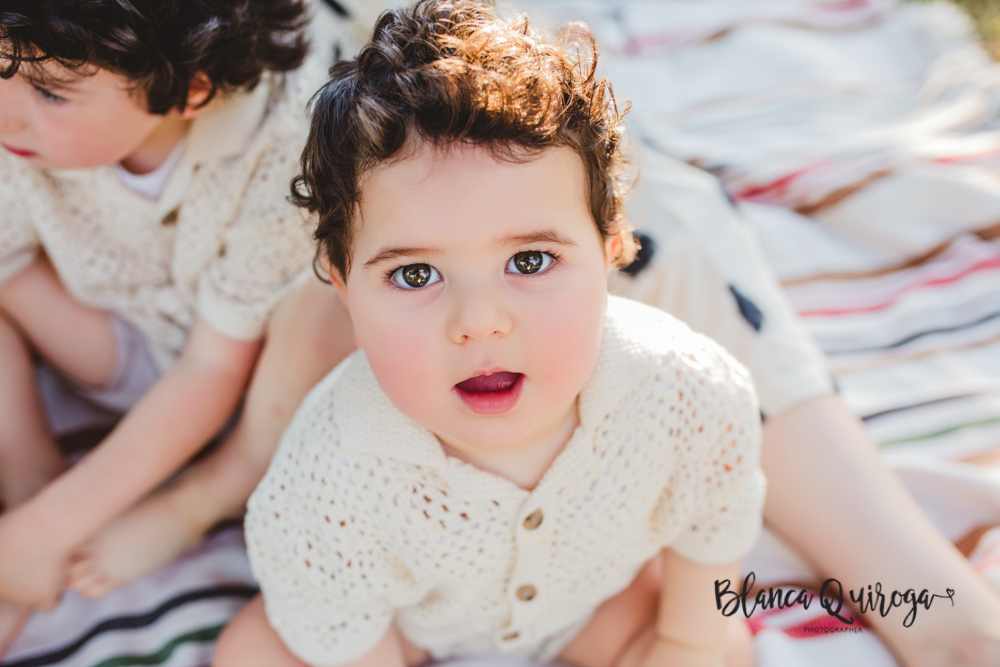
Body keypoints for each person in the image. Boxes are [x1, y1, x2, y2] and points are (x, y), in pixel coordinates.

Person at [214, 1, 767, 665]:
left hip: (592, 607)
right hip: (403, 634)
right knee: (252, 650)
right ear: (343, 284)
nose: (479, 323)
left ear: (612, 246)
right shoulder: (328, 476)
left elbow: (710, 541)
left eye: (529, 261)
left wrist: (682, 643)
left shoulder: (687, 392)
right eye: (415, 274)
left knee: (720, 645)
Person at [0, 0, 355, 653]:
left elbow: (212, 364)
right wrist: (35, 512)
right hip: (113, 332)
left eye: (50, 93)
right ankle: (33, 475)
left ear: (192, 90)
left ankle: (204, 494)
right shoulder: (17, 99)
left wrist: (41, 535)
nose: (7, 111)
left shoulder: (278, 138)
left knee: (334, 292)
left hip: (249, 376)